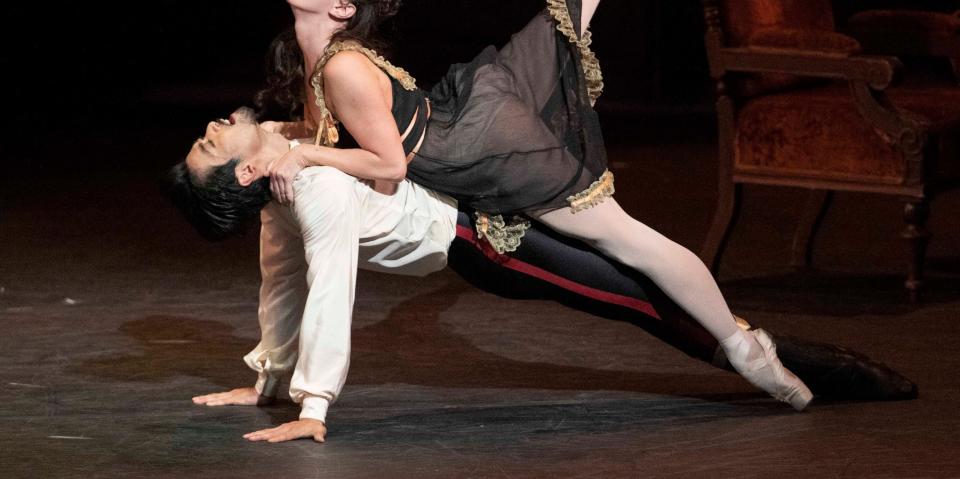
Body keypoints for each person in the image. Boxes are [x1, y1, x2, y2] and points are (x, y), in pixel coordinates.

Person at [249, 0, 818, 413]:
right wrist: (288, 142)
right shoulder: (319, 61)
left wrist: (303, 159)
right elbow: (332, 134)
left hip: (481, 145)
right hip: (469, 117)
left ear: (343, 9)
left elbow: (388, 165)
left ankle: (746, 350)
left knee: (625, 240)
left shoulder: (343, 68)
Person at [169, 109, 916, 443]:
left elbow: (283, 284)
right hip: (491, 242)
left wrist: (268, 375)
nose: (216, 120)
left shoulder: (294, 169)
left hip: (485, 206)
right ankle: (804, 367)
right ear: (241, 170)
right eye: (211, 141)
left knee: (643, 284)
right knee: (640, 300)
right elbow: (316, 286)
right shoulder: (310, 191)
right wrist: (309, 401)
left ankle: (793, 358)